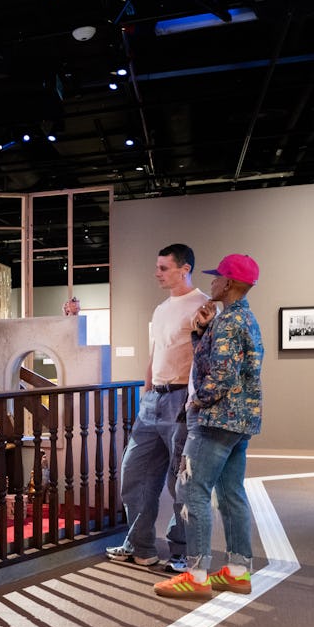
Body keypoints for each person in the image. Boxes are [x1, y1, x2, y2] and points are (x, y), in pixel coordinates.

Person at [155, 254, 263, 599]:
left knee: (192, 491)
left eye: (217, 278)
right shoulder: (241, 318)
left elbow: (223, 375)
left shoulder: (229, 322)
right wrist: (201, 331)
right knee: (231, 493)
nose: (212, 283)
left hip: (215, 420)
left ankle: (196, 573)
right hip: (239, 421)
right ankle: (237, 570)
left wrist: (197, 401)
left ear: (229, 283)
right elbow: (217, 361)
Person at [107, 244, 208, 571]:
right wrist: (147, 386)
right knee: (133, 471)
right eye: (158, 267)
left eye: (163, 268)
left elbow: (204, 357)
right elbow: (156, 351)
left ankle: (181, 551)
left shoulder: (203, 306)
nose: (157, 273)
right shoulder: (162, 308)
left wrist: (194, 400)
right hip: (153, 401)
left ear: (184, 269)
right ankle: (140, 546)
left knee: (180, 481)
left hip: (182, 399)